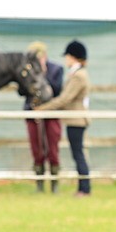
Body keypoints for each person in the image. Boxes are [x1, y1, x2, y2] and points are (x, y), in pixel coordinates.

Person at [33, 40, 91, 196]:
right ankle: (83, 188)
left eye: (67, 56)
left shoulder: (78, 76)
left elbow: (64, 99)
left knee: (78, 154)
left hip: (76, 119)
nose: (66, 59)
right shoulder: (77, 74)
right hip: (75, 119)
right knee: (78, 153)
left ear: (73, 57)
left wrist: (42, 109)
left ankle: (84, 188)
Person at [19, 41, 64, 193]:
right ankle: (39, 184)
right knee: (36, 148)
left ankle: (54, 183)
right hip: (33, 113)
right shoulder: (27, 70)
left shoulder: (56, 69)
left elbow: (57, 90)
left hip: (51, 114)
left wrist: (42, 75)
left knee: (53, 147)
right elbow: (21, 91)